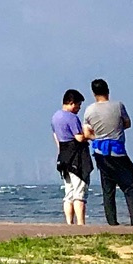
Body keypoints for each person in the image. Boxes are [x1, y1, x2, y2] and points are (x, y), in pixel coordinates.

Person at [81, 78, 133, 227]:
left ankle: (112, 221)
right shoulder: (118, 106)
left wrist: (98, 136)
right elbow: (127, 123)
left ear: (93, 93)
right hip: (117, 151)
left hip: (100, 152)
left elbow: (86, 133)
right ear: (108, 90)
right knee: (131, 186)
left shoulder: (89, 110)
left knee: (108, 188)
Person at [51, 89, 90, 225]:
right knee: (79, 192)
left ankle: (69, 223)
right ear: (71, 103)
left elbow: (55, 136)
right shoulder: (72, 118)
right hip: (76, 157)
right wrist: (90, 136)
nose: (79, 108)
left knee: (69, 193)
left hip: (63, 155)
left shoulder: (55, 117)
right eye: (78, 105)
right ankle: (81, 223)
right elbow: (79, 137)